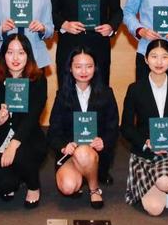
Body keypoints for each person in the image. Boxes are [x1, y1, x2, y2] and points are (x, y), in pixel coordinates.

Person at [120, 40, 168, 216]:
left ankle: (167, 186)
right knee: (154, 209)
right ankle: (156, 184)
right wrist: (146, 143)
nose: (159, 62)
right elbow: (126, 127)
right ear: (145, 59)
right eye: (154, 56)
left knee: (165, 183)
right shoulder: (135, 89)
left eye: (164, 57)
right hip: (146, 153)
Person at [47, 47, 119, 210]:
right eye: (78, 66)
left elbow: (113, 128)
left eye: (89, 66)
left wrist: (104, 141)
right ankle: (80, 176)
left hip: (96, 154)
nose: (84, 71)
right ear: (70, 69)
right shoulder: (62, 95)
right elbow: (53, 131)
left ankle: (94, 189)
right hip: (70, 155)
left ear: (96, 68)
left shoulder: (106, 93)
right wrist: (64, 146)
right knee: (68, 187)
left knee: (84, 152)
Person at [0, 34, 47, 207]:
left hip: (29, 136)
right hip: (1, 136)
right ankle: (17, 177)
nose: (15, 58)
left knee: (21, 155)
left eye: (21, 53)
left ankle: (33, 185)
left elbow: (32, 117)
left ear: (28, 55)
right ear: (3, 55)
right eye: (10, 52)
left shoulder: (38, 80)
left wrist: (13, 145)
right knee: (4, 186)